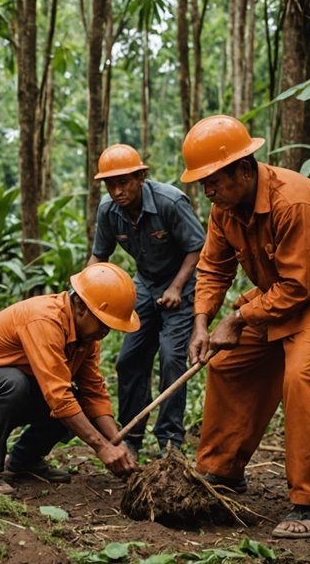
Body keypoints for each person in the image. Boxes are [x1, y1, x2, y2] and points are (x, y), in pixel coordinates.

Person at [181, 115, 310, 539]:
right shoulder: (224, 210)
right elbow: (213, 268)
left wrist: (237, 317)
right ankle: (223, 471)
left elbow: (299, 288)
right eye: (203, 184)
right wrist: (202, 323)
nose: (208, 191)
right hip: (284, 288)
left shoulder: (294, 201)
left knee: (302, 374)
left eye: (214, 180)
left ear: (244, 169)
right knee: (227, 363)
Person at [0, 263, 141, 494]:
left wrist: (116, 442)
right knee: (14, 384)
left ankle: (25, 461)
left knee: (75, 400)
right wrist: (101, 447)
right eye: (103, 323)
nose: (105, 332)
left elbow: (93, 392)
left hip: (21, 390)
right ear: (80, 306)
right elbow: (57, 396)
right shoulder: (44, 320)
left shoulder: (88, 338)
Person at [87, 144, 205, 457]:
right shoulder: (108, 211)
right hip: (144, 285)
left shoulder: (171, 201)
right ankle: (132, 437)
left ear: (140, 177)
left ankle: (170, 442)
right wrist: (83, 292)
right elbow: (100, 255)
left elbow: (197, 248)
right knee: (129, 360)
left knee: (171, 359)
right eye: (110, 184)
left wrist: (177, 287)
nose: (117, 190)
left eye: (123, 182)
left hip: (181, 284)